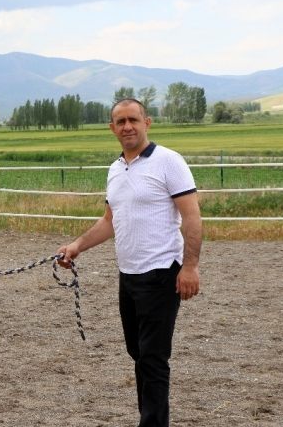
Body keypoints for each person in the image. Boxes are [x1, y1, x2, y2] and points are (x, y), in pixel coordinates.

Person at [57, 98, 202, 427]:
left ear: (147, 122)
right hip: (129, 276)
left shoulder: (169, 162)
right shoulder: (115, 169)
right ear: (112, 128)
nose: (127, 127)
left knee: (153, 359)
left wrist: (190, 266)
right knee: (138, 353)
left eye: (133, 120)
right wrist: (77, 246)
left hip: (162, 274)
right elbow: (110, 220)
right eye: (120, 121)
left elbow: (192, 217)